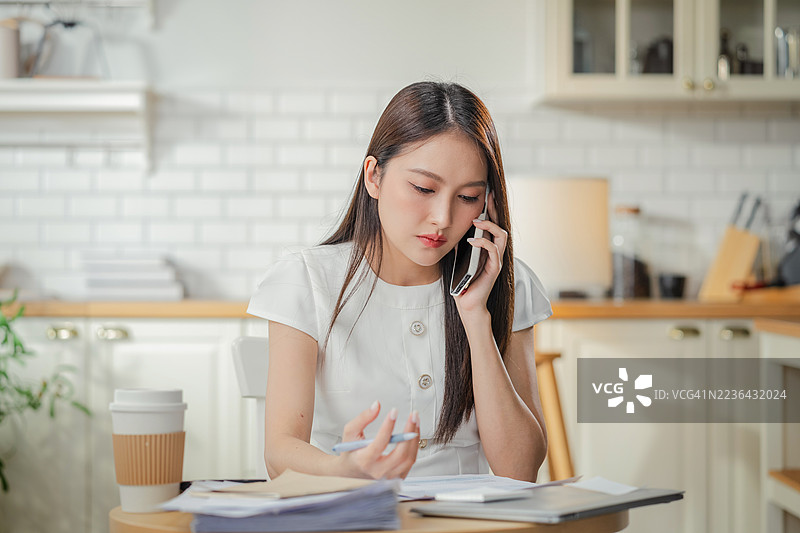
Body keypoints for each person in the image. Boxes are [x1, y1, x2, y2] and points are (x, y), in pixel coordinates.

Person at [247, 81, 552, 482]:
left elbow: (519, 469)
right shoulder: (306, 281)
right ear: (374, 176)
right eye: (424, 188)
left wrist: (476, 319)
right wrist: (344, 468)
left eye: (467, 197)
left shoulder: (507, 282)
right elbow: (279, 453)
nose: (443, 218)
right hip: (353, 514)